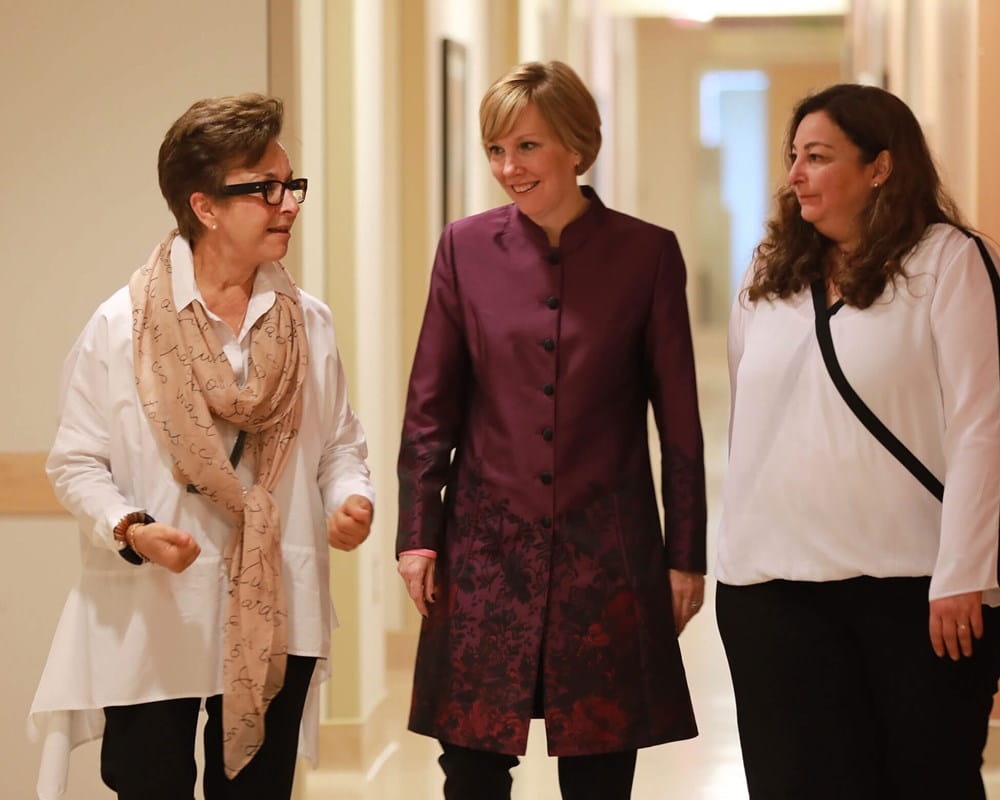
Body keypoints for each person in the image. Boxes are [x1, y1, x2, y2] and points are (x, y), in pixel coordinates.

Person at [28, 94, 375, 800]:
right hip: (157, 604)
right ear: (205, 207)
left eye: (291, 185)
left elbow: (340, 445)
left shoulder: (309, 324)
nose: (287, 204)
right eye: (264, 189)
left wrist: (350, 498)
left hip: (277, 600)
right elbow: (76, 461)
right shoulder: (121, 325)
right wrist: (129, 528)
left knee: (257, 789)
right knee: (147, 783)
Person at [395, 61, 707, 800]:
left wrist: (685, 557)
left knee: (600, 770)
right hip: (483, 547)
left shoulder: (646, 254)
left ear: (576, 145)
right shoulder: (464, 249)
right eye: (496, 150)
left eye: (528, 147)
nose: (509, 168)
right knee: (469, 768)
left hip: (608, 549)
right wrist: (418, 533)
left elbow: (681, 422)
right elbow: (430, 407)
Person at [716, 82, 1000, 799]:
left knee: (925, 781)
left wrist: (965, 570)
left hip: (913, 590)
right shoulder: (766, 273)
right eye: (793, 158)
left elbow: (982, 423)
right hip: (771, 593)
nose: (796, 175)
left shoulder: (948, 262)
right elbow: (747, 423)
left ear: (880, 166)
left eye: (818, 156)